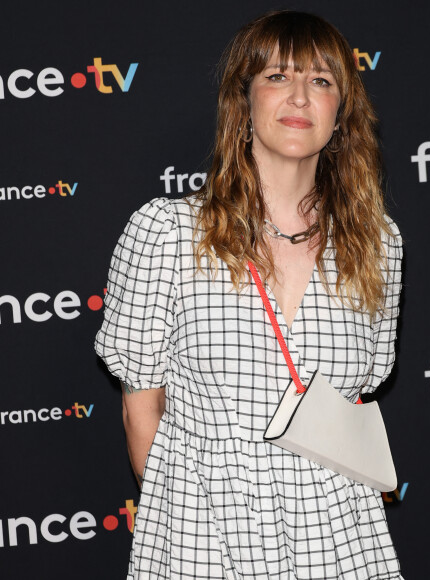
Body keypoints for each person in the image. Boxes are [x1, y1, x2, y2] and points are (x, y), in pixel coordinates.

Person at [95, 10, 404, 580]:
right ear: (244, 104)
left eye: (321, 81)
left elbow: (363, 387)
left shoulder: (378, 242)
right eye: (277, 76)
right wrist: (189, 520)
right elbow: (142, 410)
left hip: (339, 534)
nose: (300, 97)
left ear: (341, 116)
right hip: (203, 534)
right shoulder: (166, 232)